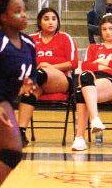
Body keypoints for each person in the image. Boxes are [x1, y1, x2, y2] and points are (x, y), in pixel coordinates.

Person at [0, 0, 36, 188]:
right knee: (12, 151)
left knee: (8, 153)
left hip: (6, 101)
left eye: (25, 10)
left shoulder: (29, 44)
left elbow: (27, 73)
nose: (24, 15)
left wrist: (28, 83)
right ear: (3, 17)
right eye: (17, 11)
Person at [17, 8, 78, 147]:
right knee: (29, 92)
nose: (50, 22)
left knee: (37, 75)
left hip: (60, 80)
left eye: (53, 19)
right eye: (46, 19)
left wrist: (49, 67)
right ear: (39, 22)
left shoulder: (65, 38)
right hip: (37, 81)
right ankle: (20, 133)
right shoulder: (30, 39)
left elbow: (73, 63)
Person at [71, 14, 112, 151]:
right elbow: (86, 66)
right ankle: (92, 123)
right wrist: (107, 66)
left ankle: (80, 136)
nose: (108, 32)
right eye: (104, 29)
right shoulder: (93, 48)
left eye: (111, 28)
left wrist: (103, 62)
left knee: (82, 90)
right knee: (85, 79)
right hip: (92, 78)